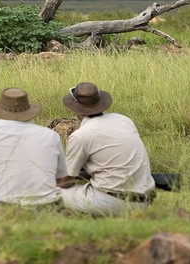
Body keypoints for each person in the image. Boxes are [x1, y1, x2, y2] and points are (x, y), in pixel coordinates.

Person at [0, 87, 71, 212]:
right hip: (47, 207)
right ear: (28, 111)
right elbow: (63, 180)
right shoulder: (50, 135)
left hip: (1, 205)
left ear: (0, 110)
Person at [58, 82, 156, 216]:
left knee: (52, 192)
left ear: (75, 109)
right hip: (145, 200)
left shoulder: (80, 135)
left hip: (114, 203)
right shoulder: (124, 120)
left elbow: (66, 182)